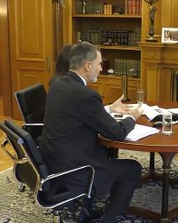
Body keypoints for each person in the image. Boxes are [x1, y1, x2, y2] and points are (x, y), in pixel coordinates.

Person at [40, 41, 142, 223]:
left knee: (106, 153)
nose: (101, 68)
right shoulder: (86, 94)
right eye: (99, 64)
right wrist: (132, 117)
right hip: (75, 170)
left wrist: (108, 109)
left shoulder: (58, 84)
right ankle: (108, 219)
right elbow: (117, 133)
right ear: (88, 65)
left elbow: (80, 113)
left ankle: (87, 209)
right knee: (133, 168)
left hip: (53, 163)